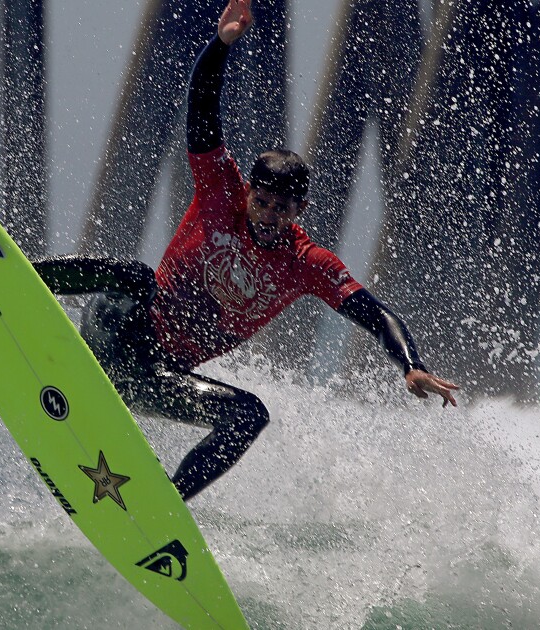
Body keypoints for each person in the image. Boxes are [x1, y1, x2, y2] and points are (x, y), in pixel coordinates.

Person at [34, 0, 458, 501]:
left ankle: (166, 504)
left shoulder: (307, 265)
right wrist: (222, 45)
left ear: (299, 209)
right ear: (249, 192)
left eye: (284, 206)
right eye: (262, 200)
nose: (270, 213)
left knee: (250, 413)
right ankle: (22, 277)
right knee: (137, 276)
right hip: (117, 330)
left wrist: (409, 362)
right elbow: (202, 108)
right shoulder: (219, 190)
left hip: (156, 378)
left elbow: (373, 312)